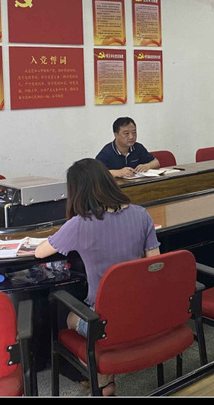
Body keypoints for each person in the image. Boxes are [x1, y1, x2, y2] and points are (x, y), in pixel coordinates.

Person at [33, 158, 161, 396]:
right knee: (105, 320)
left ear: (76, 191)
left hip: (103, 322)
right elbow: (155, 265)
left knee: (69, 315)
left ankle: (100, 382)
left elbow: (40, 252)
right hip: (142, 312)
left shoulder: (80, 223)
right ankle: (105, 383)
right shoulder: (142, 215)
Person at [96, 117, 160, 178]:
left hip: (138, 183)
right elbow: (96, 173)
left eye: (134, 132)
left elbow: (156, 162)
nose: (131, 137)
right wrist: (118, 173)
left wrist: (147, 166)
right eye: (126, 133)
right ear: (116, 135)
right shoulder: (106, 153)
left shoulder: (138, 147)